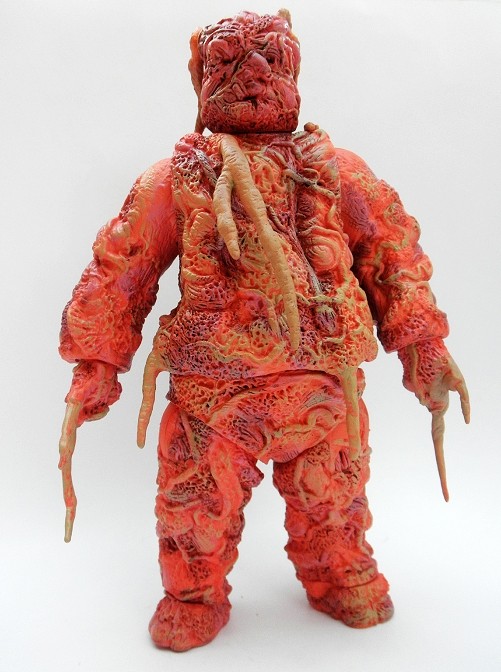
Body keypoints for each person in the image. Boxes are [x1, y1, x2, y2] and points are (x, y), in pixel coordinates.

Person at [59, 10, 469, 651]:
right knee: (194, 508)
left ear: (295, 73)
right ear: (198, 75)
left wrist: (423, 342)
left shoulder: (336, 172)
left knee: (335, 499)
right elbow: (122, 268)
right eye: (229, 63)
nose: (253, 76)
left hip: (323, 388)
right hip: (212, 396)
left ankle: (339, 573)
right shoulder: (176, 179)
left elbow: (392, 252)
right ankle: (192, 593)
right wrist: (97, 364)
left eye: (272, 61)